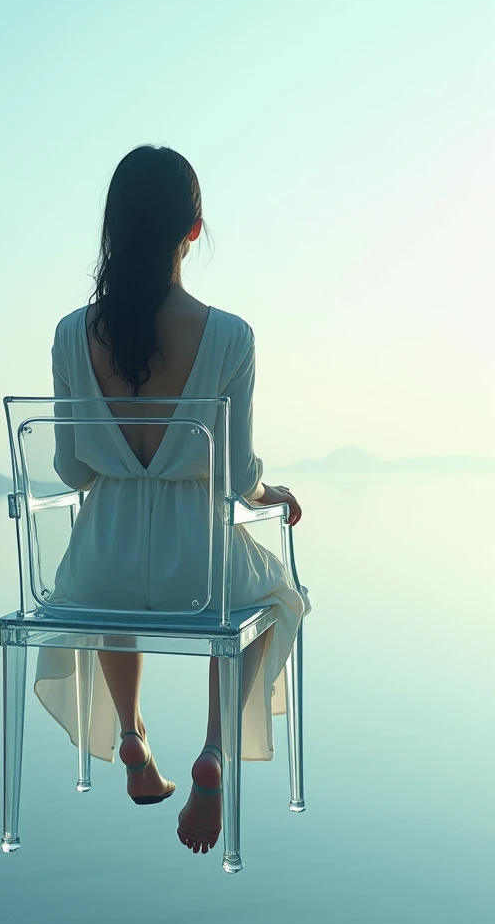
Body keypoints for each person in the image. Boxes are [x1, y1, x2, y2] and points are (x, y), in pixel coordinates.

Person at [34, 144, 311, 855]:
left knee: (109, 586)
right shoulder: (230, 336)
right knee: (277, 596)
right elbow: (234, 473)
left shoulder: (72, 334)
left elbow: (71, 468)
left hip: (103, 566)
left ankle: (130, 734)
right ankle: (214, 753)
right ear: (193, 229)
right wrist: (267, 491)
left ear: (114, 225)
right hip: (199, 573)